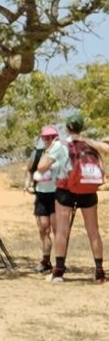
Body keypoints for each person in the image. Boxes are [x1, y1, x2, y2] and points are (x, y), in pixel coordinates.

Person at [49, 108, 106, 281]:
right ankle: (99, 271)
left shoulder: (61, 144)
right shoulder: (89, 144)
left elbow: (45, 165)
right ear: (82, 127)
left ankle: (58, 270)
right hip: (88, 190)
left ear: (66, 128)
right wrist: (90, 141)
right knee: (93, 231)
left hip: (66, 191)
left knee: (62, 231)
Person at [27, 123, 61, 270]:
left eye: (51, 137)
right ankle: (45, 260)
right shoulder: (38, 154)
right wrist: (27, 184)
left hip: (56, 195)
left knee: (57, 229)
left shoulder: (61, 153)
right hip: (41, 195)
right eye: (45, 137)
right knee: (43, 229)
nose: (48, 140)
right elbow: (29, 170)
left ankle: (60, 262)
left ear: (56, 138)